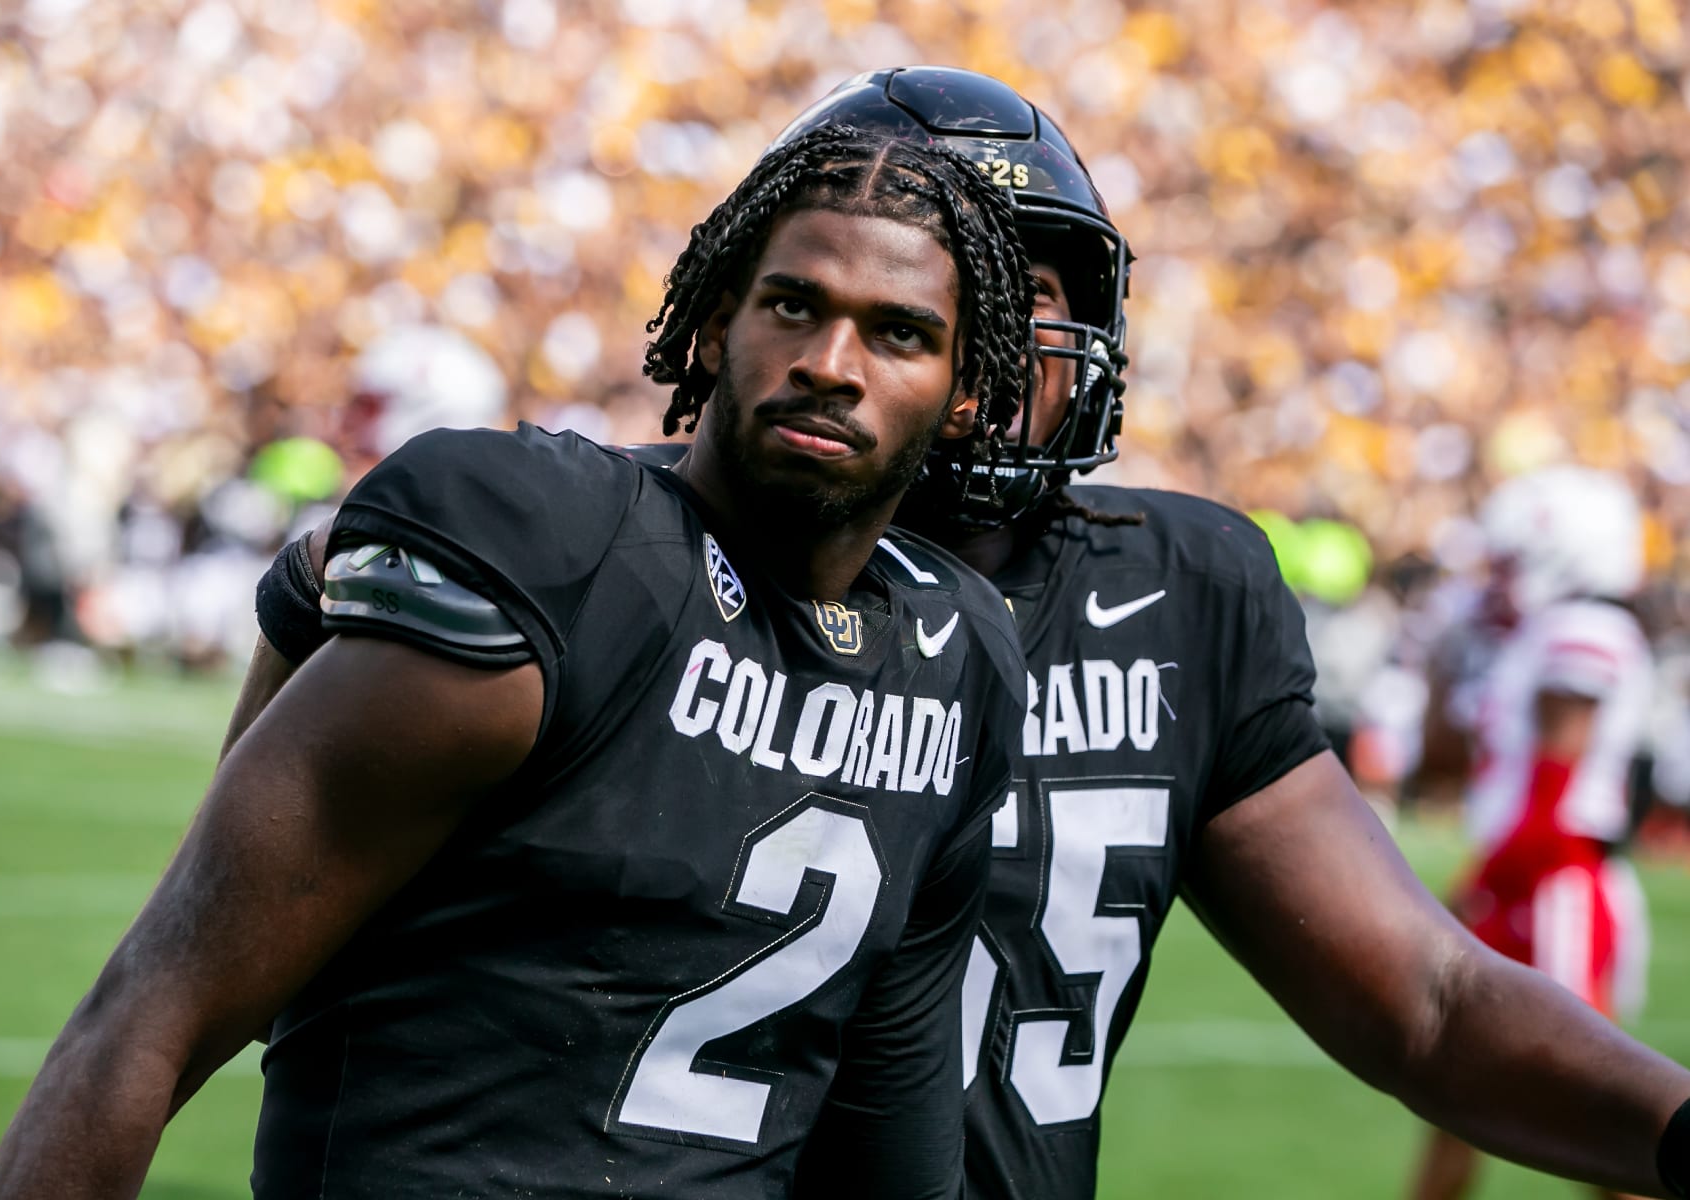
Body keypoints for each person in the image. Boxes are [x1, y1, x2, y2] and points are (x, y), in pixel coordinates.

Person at [228, 67, 1690, 1200]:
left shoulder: (1186, 591)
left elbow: (1426, 1001)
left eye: (1024, 293)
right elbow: (240, 918)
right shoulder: (627, 558)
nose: (994, 342)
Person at [0, 125, 1035, 1200]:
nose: (829, 366)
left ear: (964, 393)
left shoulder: (958, 655)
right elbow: (149, 1017)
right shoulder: (565, 555)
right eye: (793, 305)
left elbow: (891, 1152)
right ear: (718, 325)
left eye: (899, 333)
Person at [1410, 468, 1659, 1200]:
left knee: (1599, 1113)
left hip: (1554, 886)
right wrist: (1438, 663)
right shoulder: (1542, 634)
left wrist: (1478, 888)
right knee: (1455, 1095)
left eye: (1515, 559)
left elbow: (1553, 794)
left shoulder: (1588, 630)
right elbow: (1445, 762)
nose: (1502, 576)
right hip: (1527, 876)